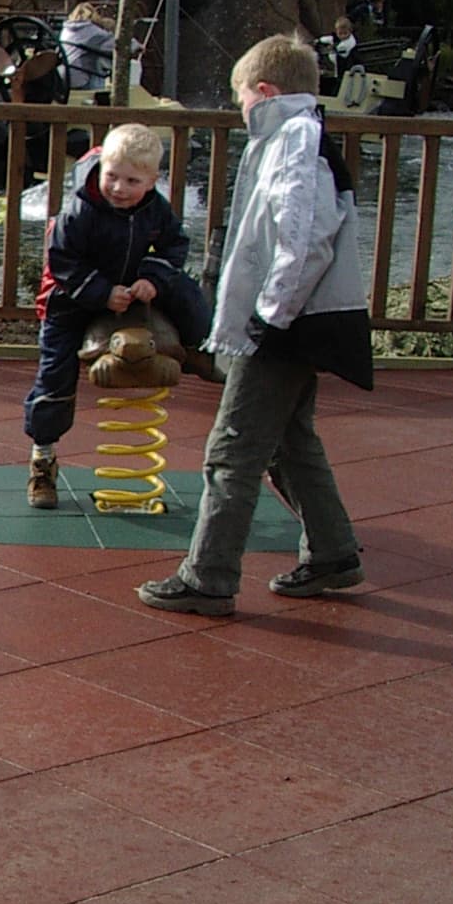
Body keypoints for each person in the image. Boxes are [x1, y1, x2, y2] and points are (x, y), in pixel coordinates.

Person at [138, 35, 371, 616]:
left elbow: (303, 237)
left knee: (231, 451)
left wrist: (270, 314)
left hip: (283, 323)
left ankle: (209, 577)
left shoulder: (293, 141)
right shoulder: (298, 135)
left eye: (242, 96)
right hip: (296, 318)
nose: (240, 108)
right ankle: (334, 552)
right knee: (290, 443)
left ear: (264, 92)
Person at [22, 123, 214, 509]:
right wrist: (100, 292)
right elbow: (62, 261)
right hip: (76, 292)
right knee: (55, 369)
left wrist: (152, 278)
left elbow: (175, 245)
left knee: (186, 290)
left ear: (152, 181)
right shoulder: (81, 209)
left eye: (132, 180)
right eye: (112, 176)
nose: (119, 188)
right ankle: (43, 457)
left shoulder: (155, 208)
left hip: (131, 285)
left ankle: (202, 346)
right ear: (100, 168)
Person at [60, 1, 118, 92]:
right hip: (80, 78)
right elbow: (116, 44)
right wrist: (137, 45)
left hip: (62, 73)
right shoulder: (93, 32)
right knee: (99, 67)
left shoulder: (66, 30)